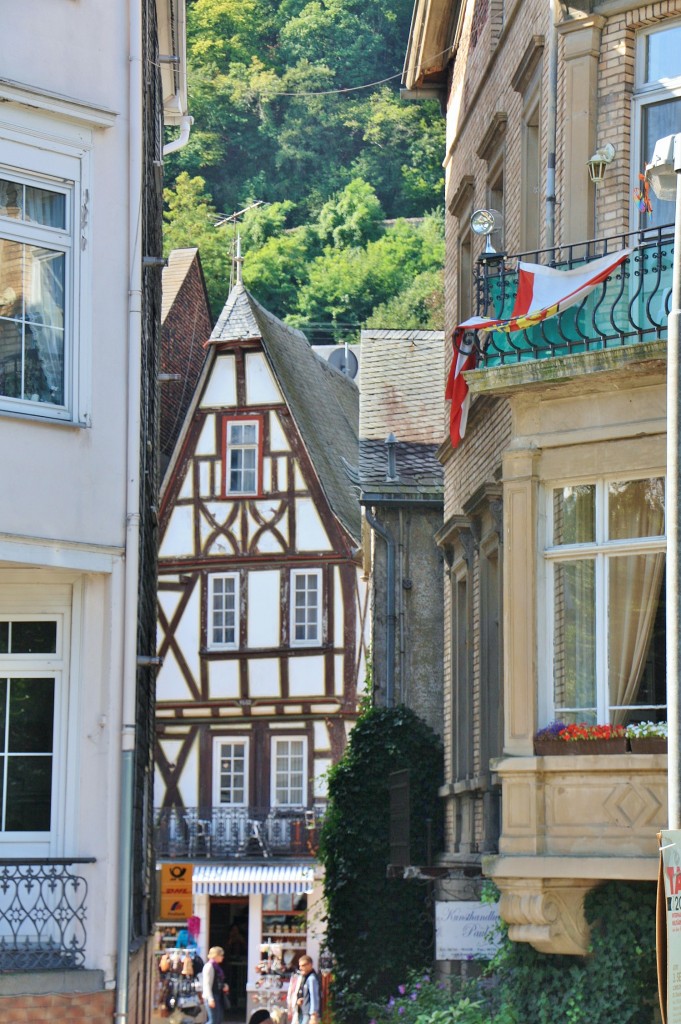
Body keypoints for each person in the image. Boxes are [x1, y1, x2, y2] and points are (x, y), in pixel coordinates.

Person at [202, 945, 229, 1024]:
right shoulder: (209, 967)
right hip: (212, 996)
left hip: (218, 995)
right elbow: (207, 984)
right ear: (216, 955)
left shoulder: (216, 967)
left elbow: (217, 981)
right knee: (213, 1021)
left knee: (218, 1020)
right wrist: (210, 999)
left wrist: (224, 986)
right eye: (221, 955)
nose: (222, 957)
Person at [296, 954, 320, 1024]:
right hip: (304, 1012)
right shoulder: (305, 978)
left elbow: (314, 996)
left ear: (310, 965)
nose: (300, 968)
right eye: (299, 966)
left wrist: (313, 1015)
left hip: (309, 1015)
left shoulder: (312, 978)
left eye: (303, 965)